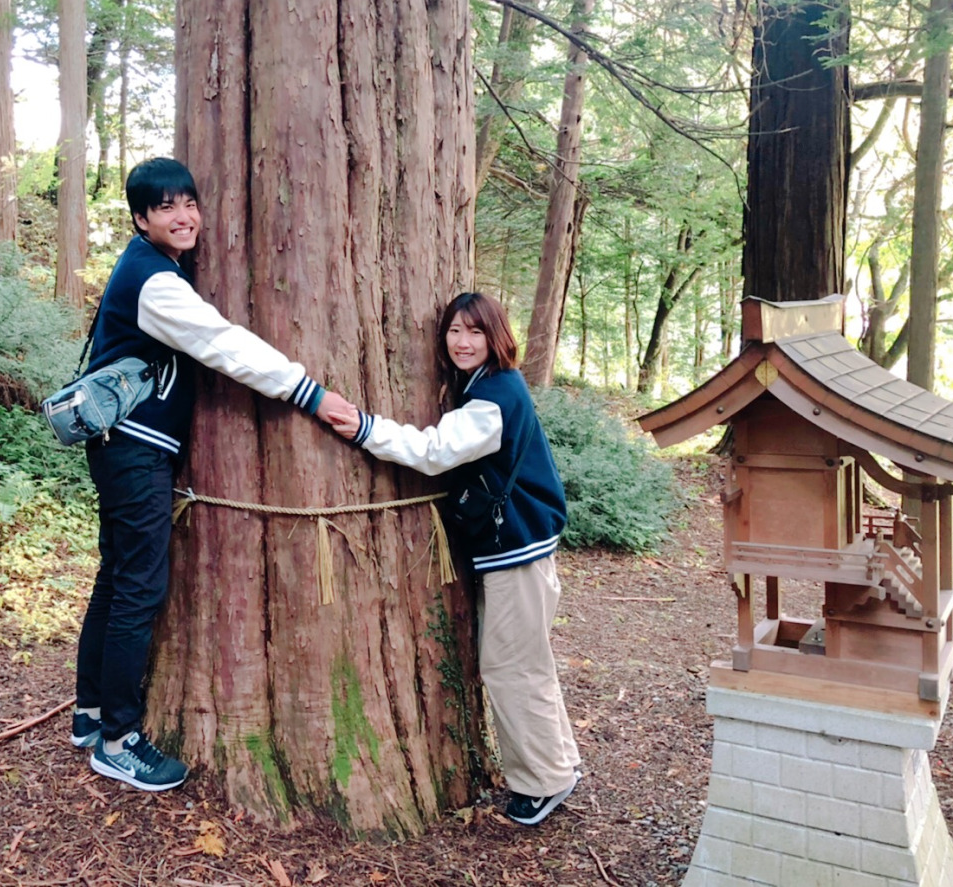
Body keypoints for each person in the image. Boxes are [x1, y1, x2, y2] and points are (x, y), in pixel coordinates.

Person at [73, 157, 354, 792]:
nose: (183, 216)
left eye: (189, 203)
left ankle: (91, 713)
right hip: (135, 452)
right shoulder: (156, 282)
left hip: (119, 446)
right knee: (138, 588)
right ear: (140, 218)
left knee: (117, 578)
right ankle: (117, 741)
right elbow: (225, 343)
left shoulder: (147, 267)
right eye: (165, 207)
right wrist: (308, 392)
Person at [327, 292, 581, 826]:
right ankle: (557, 766)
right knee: (527, 662)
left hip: (519, 552)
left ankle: (543, 782)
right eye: (454, 331)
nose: (463, 343)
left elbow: (435, 450)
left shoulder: (493, 398)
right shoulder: (485, 386)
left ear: (496, 336)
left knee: (511, 666)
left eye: (476, 332)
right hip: (518, 550)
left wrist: (366, 428)